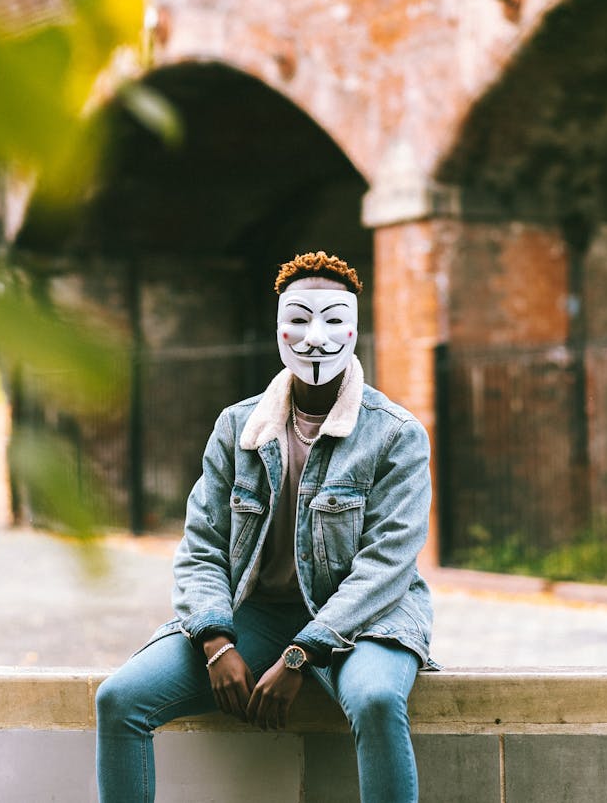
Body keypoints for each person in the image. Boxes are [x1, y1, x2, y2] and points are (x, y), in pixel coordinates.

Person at [96, 250, 433, 803]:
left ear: (354, 327)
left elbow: (388, 564)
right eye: (298, 319)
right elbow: (201, 545)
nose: (314, 337)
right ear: (278, 327)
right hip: (256, 614)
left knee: (375, 701)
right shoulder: (237, 427)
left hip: (367, 621)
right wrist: (215, 640)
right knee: (120, 699)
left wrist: (304, 653)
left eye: (331, 319)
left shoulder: (396, 434)